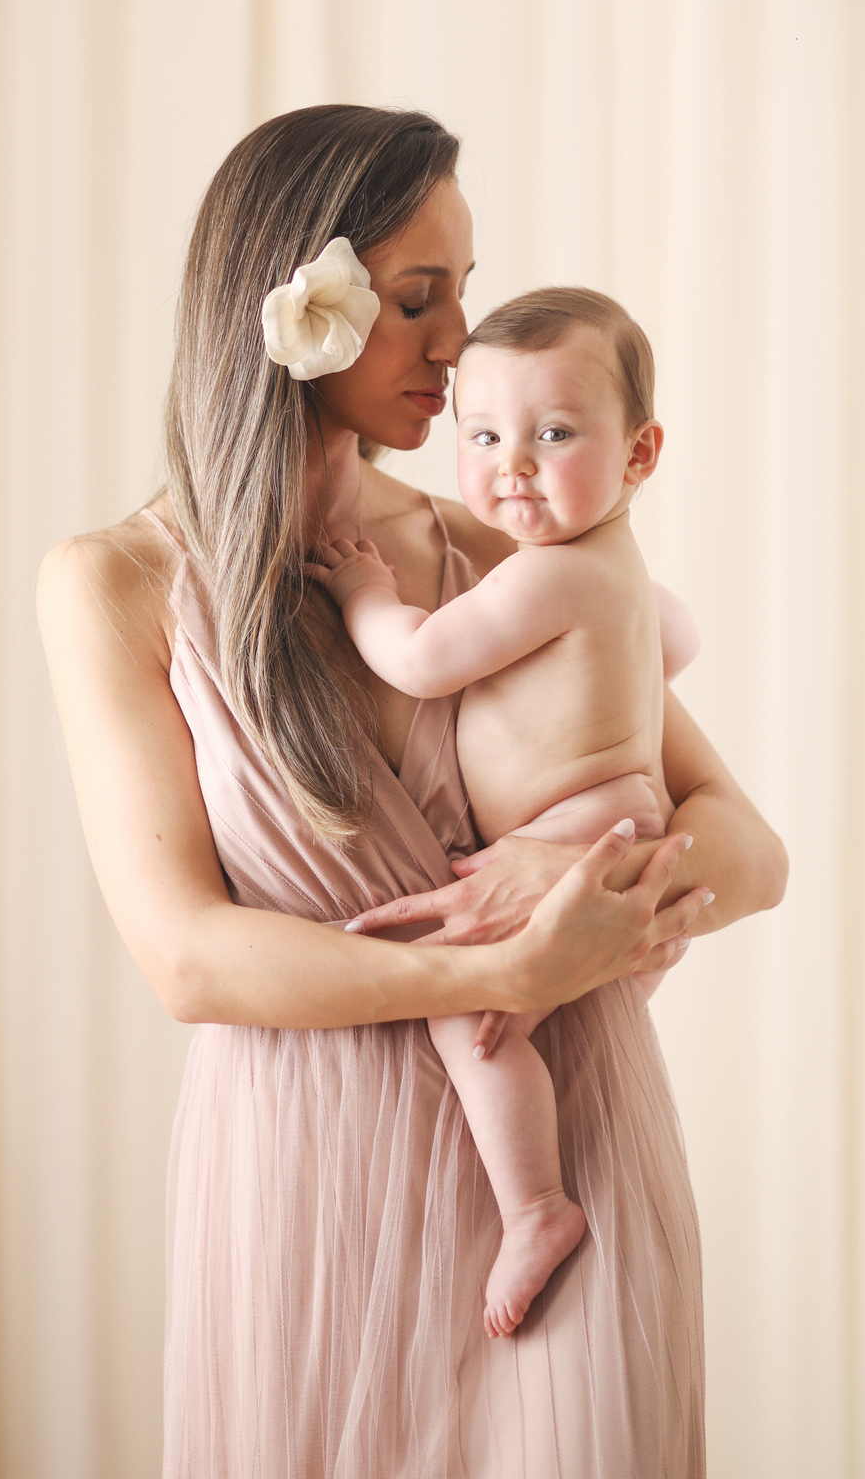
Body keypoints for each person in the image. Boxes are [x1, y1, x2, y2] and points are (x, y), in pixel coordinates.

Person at [36, 105, 787, 1478]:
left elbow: (748, 846)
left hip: (574, 1159)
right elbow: (189, 961)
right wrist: (499, 971)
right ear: (291, 309)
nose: (458, 344)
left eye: (466, 293)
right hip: (301, 1184)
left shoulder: (492, 547)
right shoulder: (118, 586)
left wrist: (605, 899)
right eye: (415, 298)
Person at [310, 286, 696, 1341]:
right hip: (618, 829)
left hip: (576, 839)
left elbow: (423, 660)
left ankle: (536, 1206)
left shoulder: (548, 577)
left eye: (553, 433)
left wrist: (359, 594)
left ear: (639, 453)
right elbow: (681, 639)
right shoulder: (613, 569)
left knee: (465, 1017)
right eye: (482, 435)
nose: (511, 462)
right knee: (516, 1022)